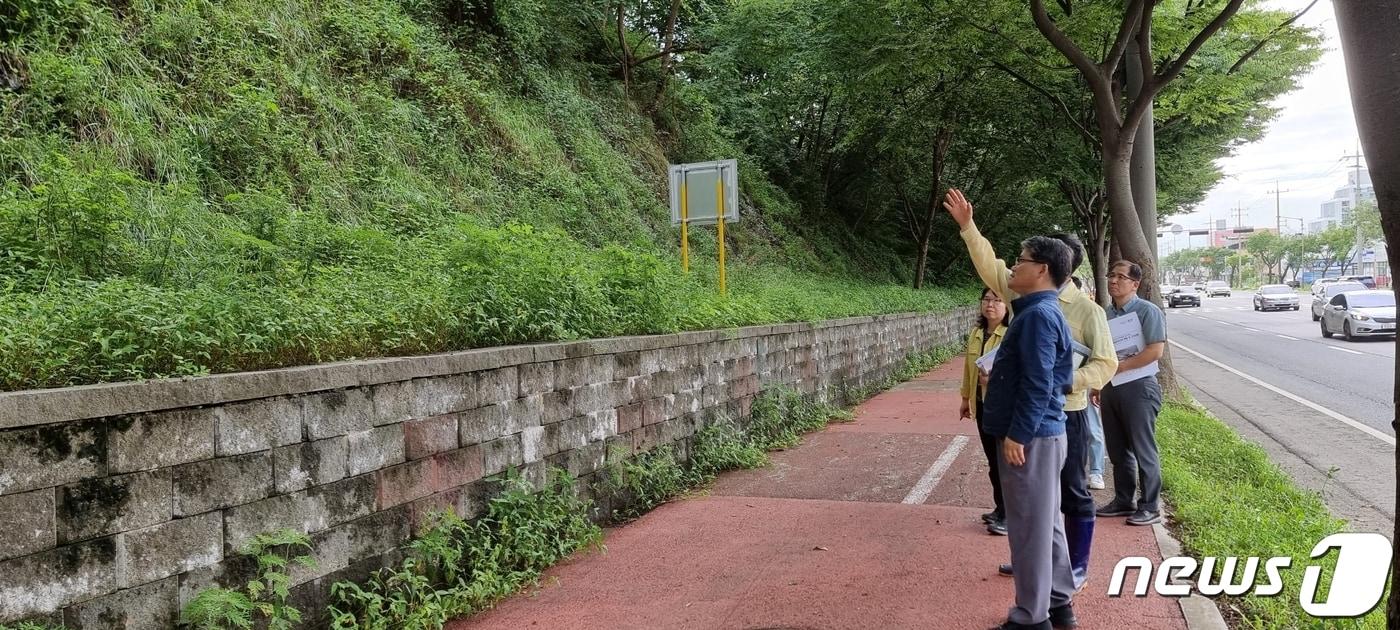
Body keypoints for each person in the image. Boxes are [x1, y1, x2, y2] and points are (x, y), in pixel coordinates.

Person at [943, 189, 1117, 591]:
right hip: (1031, 417)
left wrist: (1068, 381)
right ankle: (1038, 567)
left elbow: (1105, 363)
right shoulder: (1026, 296)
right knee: (1035, 501)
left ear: (1052, 267)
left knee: (1070, 492)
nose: (1014, 269)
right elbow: (991, 267)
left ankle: (1075, 568)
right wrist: (968, 227)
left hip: (1065, 413)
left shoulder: (1082, 309)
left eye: (1023, 261)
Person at [979, 235, 1078, 630]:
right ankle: (1057, 604)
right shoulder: (1043, 312)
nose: (1013, 268)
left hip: (1033, 438)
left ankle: (1030, 618)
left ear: (1041, 270)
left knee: (1028, 529)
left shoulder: (1037, 316)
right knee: (1045, 523)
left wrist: (1018, 435)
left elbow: (1039, 383)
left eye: (1020, 261)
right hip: (1045, 434)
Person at [1094, 260, 1167, 527]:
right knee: (1117, 448)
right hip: (1112, 388)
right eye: (1111, 275)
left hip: (1139, 387)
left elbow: (1154, 351)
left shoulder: (1148, 311)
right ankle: (1124, 500)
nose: (1114, 281)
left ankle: (1149, 505)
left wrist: (1119, 367)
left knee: (1142, 447)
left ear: (1134, 284)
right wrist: (1099, 383)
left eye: (1121, 277)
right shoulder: (1105, 314)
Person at [961, 287, 1011, 535]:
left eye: (996, 300)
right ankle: (1000, 508)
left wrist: (994, 381)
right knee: (993, 460)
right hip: (982, 404)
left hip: (1003, 406)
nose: (990, 304)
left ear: (1007, 305)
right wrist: (965, 398)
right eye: (986, 299)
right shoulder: (977, 333)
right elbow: (968, 370)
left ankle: (1010, 515)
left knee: (1005, 463)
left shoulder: (1011, 334)